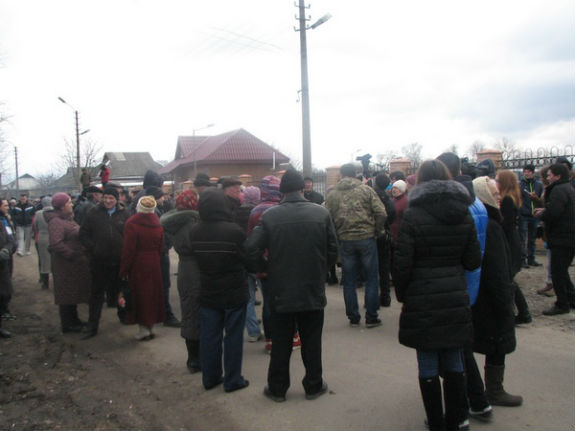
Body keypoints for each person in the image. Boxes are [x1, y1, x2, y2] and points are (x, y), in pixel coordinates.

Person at [393, 160, 481, 431]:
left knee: (428, 360)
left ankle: (435, 421)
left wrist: (405, 294)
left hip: (422, 296)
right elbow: (473, 260)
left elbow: (402, 263)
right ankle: (457, 421)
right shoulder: (463, 212)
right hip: (454, 294)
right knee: (454, 357)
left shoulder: (413, 214)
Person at [245, 169, 337, 402]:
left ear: (281, 190)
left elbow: (250, 249)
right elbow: (333, 249)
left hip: (280, 288)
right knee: (312, 341)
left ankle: (277, 388)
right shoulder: (321, 214)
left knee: (281, 341)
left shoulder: (270, 216)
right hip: (311, 287)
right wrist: (320, 270)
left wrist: (266, 267)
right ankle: (313, 385)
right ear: (303, 188)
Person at [436, 151, 491, 421]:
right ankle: (478, 400)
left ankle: (472, 403)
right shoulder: (477, 201)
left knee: (457, 348)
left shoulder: (454, 204)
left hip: (455, 285)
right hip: (472, 281)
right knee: (461, 344)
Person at [188, 188, 250, 392]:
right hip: (234, 290)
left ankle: (210, 377)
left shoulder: (195, 231)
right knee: (233, 337)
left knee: (209, 337)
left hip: (208, 290)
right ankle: (233, 380)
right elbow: (247, 259)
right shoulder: (233, 231)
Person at [471, 176, 523, 408]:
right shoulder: (490, 225)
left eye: (499, 192)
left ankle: (482, 389)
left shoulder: (487, 220)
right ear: (483, 196)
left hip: (482, 293)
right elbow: (497, 268)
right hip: (491, 295)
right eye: (494, 193)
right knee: (497, 340)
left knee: (484, 341)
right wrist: (505, 300)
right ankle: (494, 390)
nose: (499, 197)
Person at [325, 163, 387, 328]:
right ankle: (372, 317)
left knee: (349, 280)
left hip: (346, 240)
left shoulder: (333, 194)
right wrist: (377, 230)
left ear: (341, 175)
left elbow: (326, 217)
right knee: (371, 278)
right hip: (367, 238)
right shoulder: (366, 190)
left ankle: (353, 317)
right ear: (355, 174)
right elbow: (381, 212)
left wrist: (336, 234)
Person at [79, 187, 131, 339]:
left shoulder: (125, 214)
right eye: (106, 198)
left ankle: (123, 316)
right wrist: (93, 248)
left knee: (121, 290)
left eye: (111, 198)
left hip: (119, 261)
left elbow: (130, 235)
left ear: (117, 199)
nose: (108, 201)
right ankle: (92, 325)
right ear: (102, 198)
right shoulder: (93, 213)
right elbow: (83, 234)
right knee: (96, 294)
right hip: (99, 261)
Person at [160, 189, 202, 372]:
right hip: (195, 270)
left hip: (185, 270)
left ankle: (193, 357)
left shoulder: (176, 222)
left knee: (188, 311)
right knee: (195, 313)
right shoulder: (192, 224)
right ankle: (195, 359)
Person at [120, 196, 165, 340]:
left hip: (138, 263)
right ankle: (151, 326)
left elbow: (128, 249)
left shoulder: (132, 223)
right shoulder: (157, 223)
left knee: (140, 295)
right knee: (152, 295)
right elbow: (161, 246)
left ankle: (143, 328)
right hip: (154, 262)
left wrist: (124, 269)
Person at [44, 193, 91, 333]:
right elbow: (55, 244)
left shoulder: (68, 219)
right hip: (64, 265)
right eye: (69, 202)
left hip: (72, 265)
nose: (72, 204)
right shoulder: (56, 222)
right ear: (62, 206)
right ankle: (68, 324)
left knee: (73, 292)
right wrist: (72, 254)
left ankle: (74, 320)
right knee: (66, 293)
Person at [247, 176, 283, 353]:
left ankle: (270, 340)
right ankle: (289, 336)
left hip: (263, 265)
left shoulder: (255, 210)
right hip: (283, 263)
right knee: (284, 302)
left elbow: (252, 240)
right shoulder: (282, 209)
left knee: (268, 303)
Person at [534, 163, 575, 315]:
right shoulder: (567, 188)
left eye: (550, 175)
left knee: (558, 272)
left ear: (557, 176)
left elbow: (555, 213)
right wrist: (545, 210)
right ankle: (571, 299)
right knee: (562, 271)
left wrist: (541, 214)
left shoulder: (558, 190)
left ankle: (562, 304)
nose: (548, 177)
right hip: (567, 237)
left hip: (562, 238)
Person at [496, 170, 532, 325]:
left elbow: (506, 224)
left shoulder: (507, 200)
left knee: (508, 280)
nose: (495, 182)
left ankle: (519, 313)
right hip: (512, 241)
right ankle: (523, 313)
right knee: (509, 279)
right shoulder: (510, 197)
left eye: (497, 180)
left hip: (509, 243)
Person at [234, 186, 263, 342]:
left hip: (242, 259)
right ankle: (271, 330)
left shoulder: (236, 212)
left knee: (248, 298)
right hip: (259, 258)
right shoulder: (260, 212)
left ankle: (252, 331)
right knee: (268, 296)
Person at [372, 173, 396, 307]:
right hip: (384, 234)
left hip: (372, 234)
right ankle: (385, 297)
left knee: (372, 269)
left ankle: (372, 298)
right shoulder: (386, 198)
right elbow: (392, 213)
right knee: (384, 267)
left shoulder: (371, 194)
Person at [518, 164, 543, 268]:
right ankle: (522, 260)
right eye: (525, 171)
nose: (526, 173)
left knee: (532, 239)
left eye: (528, 171)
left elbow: (541, 200)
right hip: (524, 215)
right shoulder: (520, 184)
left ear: (533, 172)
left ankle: (531, 259)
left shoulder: (538, 185)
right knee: (522, 239)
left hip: (534, 215)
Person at [0, 198, 17, 337]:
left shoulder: (2, 222)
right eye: (5, 205)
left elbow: (9, 239)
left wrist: (6, 250)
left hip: (2, 263)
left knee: (4, 292)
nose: (7, 207)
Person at [32, 196, 53, 290]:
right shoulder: (56, 212)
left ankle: (45, 283)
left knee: (44, 261)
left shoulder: (38, 213)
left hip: (42, 238)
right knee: (55, 260)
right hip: (54, 237)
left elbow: (35, 226)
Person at [389, 180, 408, 246]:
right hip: (392, 233)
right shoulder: (393, 199)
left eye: (396, 188)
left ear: (401, 190)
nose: (393, 190)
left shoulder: (405, 201)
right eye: (393, 188)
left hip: (400, 235)